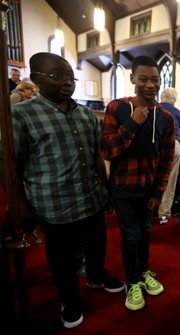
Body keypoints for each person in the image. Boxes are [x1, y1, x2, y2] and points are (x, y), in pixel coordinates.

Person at [0, 52, 125, 329]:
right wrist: (19, 205)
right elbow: (10, 166)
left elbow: (95, 157)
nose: (67, 83)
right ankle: (69, 299)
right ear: (36, 79)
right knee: (62, 258)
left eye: (71, 77)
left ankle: (96, 276)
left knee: (97, 244)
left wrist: (105, 193)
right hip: (54, 204)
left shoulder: (84, 114)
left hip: (91, 197)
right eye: (58, 76)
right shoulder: (21, 116)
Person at [100, 55, 175, 311]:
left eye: (155, 79)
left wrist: (158, 191)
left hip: (148, 190)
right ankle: (132, 282)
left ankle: (143, 272)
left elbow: (166, 159)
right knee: (131, 237)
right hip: (123, 189)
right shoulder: (117, 108)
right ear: (133, 79)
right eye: (143, 79)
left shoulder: (166, 117)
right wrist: (132, 124)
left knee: (145, 233)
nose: (150, 85)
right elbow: (108, 150)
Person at [158, 87, 180, 225]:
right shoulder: (178, 112)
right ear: (173, 99)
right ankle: (163, 215)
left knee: (152, 177)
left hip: (156, 144)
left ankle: (148, 209)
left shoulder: (154, 108)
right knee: (170, 181)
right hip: (174, 145)